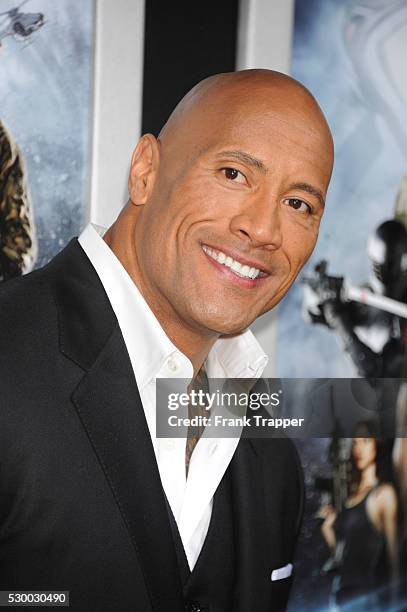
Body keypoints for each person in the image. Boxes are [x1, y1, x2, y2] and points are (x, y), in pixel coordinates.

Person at [0, 70, 334, 611]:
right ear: (145, 171)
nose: (265, 229)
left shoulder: (270, 453)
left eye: (299, 204)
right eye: (233, 173)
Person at [320, 425, 399, 610]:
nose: (359, 449)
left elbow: (394, 557)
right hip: (340, 596)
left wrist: (396, 602)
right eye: (355, 443)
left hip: (367, 598)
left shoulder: (383, 495)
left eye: (365, 441)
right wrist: (328, 529)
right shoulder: (349, 498)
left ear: (376, 445)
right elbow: (342, 557)